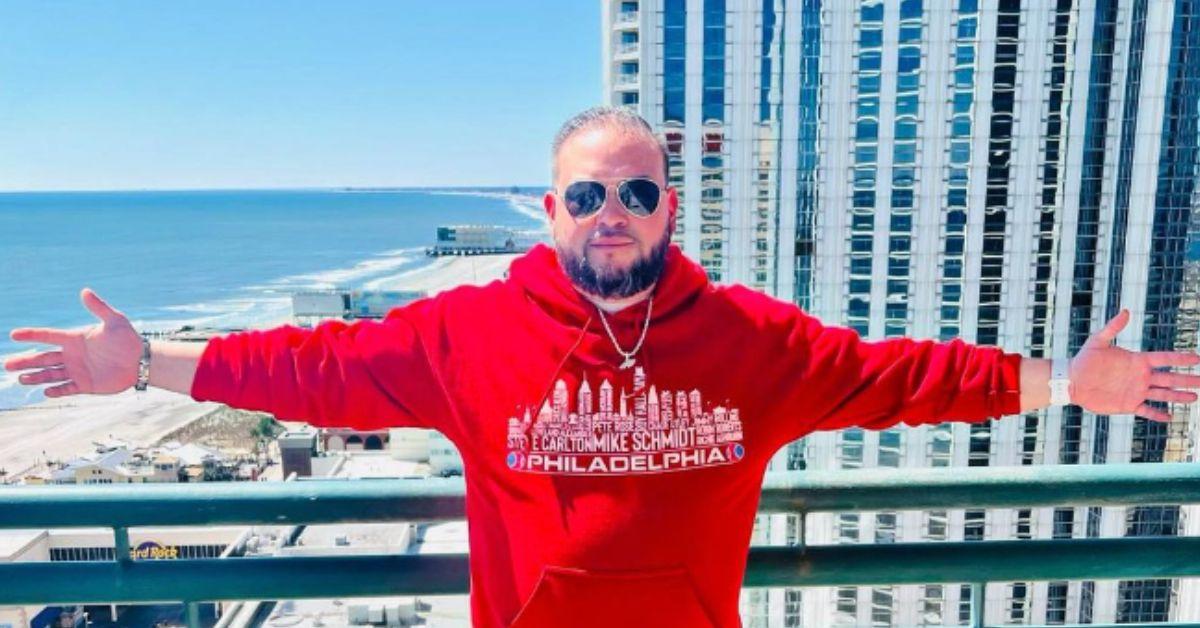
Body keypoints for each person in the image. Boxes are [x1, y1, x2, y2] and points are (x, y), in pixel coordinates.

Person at [7, 107, 1200, 628]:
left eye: (636, 192)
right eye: (589, 194)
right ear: (552, 210)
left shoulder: (752, 342)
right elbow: (310, 367)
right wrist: (147, 362)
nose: (613, 213)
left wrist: (1060, 380)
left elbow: (904, 376)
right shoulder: (465, 333)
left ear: (669, 206)